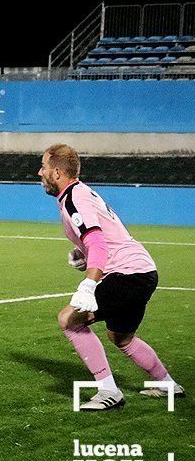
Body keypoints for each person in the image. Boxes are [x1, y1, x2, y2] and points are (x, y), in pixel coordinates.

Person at [39, 144, 184, 411]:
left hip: (128, 274)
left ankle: (108, 391)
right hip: (143, 271)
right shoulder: (83, 193)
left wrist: (88, 284)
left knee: (69, 320)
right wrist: (84, 256)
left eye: (44, 167)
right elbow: (102, 239)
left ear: (57, 172)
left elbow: (98, 242)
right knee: (122, 338)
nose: (40, 173)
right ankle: (167, 384)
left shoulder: (74, 198)